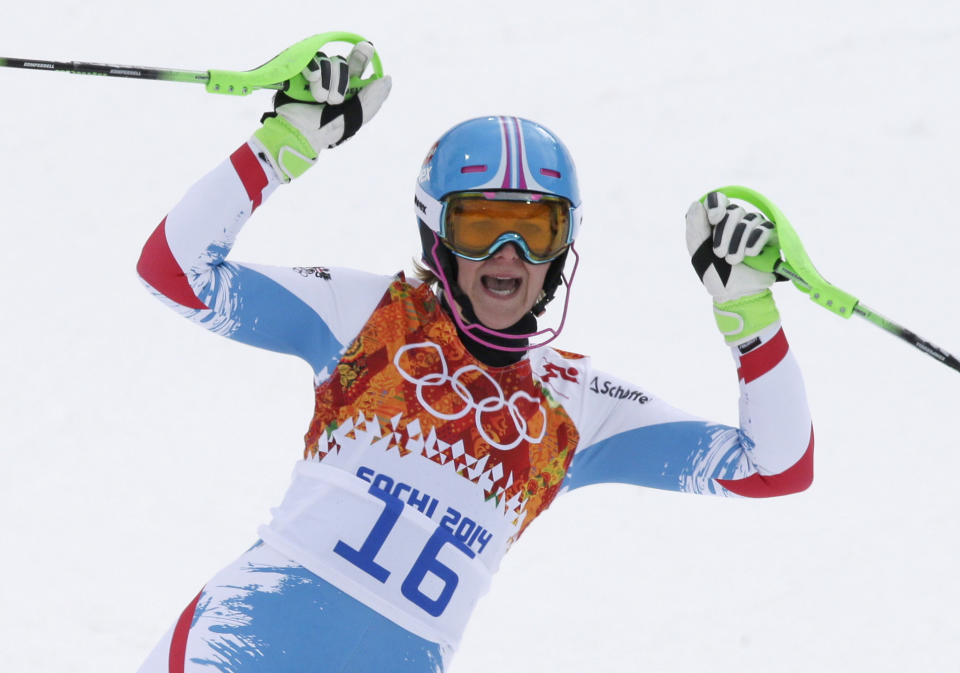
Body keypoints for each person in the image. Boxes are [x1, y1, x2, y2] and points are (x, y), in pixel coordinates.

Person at [135, 42, 813, 673]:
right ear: (436, 235)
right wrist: (283, 142)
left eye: (536, 228)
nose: (508, 255)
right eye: (481, 226)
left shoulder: (577, 410)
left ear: (563, 248)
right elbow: (174, 271)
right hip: (236, 647)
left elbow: (776, 465)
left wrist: (747, 312)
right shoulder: (368, 319)